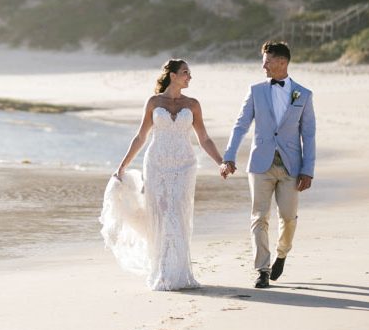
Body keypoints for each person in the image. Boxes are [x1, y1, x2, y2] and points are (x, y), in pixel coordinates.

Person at [100, 58, 224, 291]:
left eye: (189, 73)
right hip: (156, 164)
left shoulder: (193, 104)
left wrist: (221, 162)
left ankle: (179, 273)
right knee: (162, 214)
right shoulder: (154, 102)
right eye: (186, 72)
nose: (189, 77)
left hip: (185, 166)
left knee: (178, 213)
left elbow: (204, 139)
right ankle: (164, 272)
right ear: (173, 76)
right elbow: (140, 137)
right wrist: (122, 166)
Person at [220, 41, 316, 288]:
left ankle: (282, 254)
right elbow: (240, 125)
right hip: (260, 164)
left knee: (288, 217)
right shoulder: (255, 91)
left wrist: (308, 169)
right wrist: (229, 156)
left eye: (268, 60)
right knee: (259, 217)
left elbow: (309, 134)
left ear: (282, 62)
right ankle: (262, 269)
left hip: (291, 166)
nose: (263, 65)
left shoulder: (303, 94)